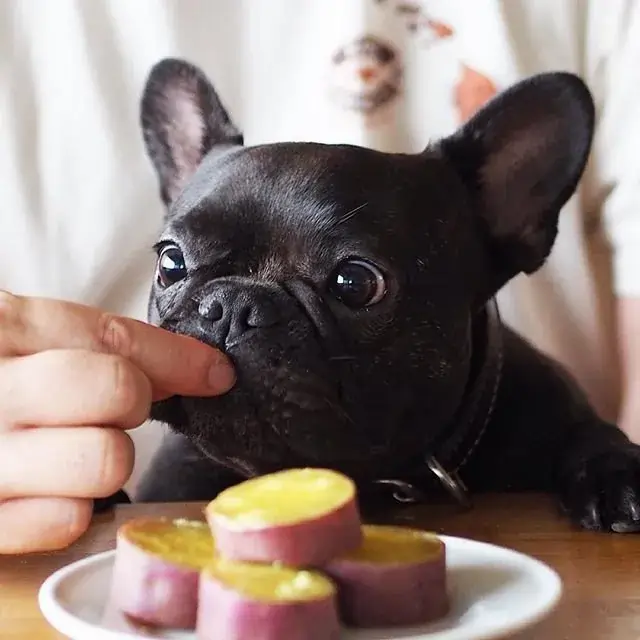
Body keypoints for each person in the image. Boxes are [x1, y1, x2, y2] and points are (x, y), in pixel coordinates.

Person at [2, 0, 640, 553]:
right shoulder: (195, 467)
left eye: (352, 286)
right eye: (177, 265)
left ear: (506, 229)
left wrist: (600, 465)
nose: (231, 322)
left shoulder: (536, 418)